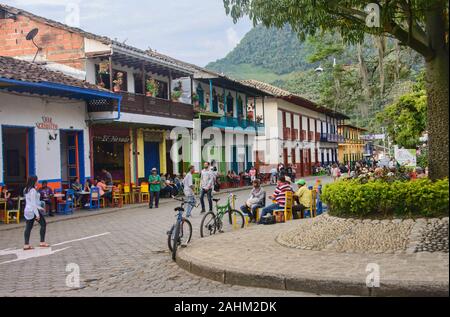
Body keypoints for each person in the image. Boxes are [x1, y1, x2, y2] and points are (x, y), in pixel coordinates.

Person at [23, 176, 49, 250]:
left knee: (28, 227)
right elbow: (33, 204)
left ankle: (26, 244)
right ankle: (42, 242)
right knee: (43, 224)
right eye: (37, 180)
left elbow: (30, 202)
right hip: (33, 210)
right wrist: (37, 215)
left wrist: (40, 208)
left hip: (27, 210)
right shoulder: (33, 190)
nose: (38, 182)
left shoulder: (25, 189)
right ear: (34, 181)